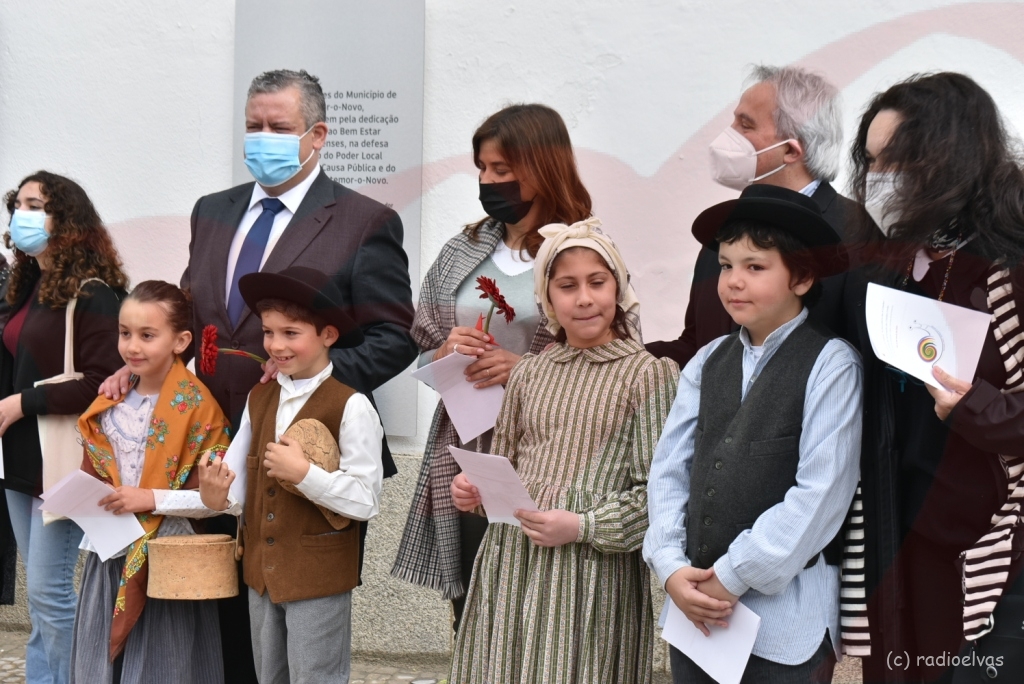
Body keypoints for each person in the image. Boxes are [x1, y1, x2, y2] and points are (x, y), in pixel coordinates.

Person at [100, 68, 417, 683]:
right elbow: (189, 316)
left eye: (279, 127)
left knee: (296, 645)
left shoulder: (364, 220)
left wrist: (304, 381)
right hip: (210, 450)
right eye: (254, 126)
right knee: (218, 626)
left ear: (317, 135)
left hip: (302, 463)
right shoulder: (212, 210)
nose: (262, 138)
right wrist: (140, 361)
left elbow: (393, 336)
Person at [644, 185, 862, 683]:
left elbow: (820, 494)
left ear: (802, 277)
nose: (734, 281)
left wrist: (732, 575)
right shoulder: (707, 361)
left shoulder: (832, 365)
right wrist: (671, 566)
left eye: (755, 266)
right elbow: (669, 471)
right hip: (694, 613)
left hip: (784, 625)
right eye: (726, 266)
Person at [847, 73, 1024, 684]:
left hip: (992, 550)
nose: (879, 178)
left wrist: (976, 407)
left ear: (950, 155)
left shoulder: (1010, 264)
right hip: (901, 534)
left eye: (895, 160)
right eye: (871, 160)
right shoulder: (892, 264)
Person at [448, 219, 677, 683]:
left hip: (590, 572)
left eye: (598, 282)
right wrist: (476, 492)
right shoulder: (530, 372)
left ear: (619, 288)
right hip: (512, 563)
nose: (584, 298)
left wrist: (582, 525)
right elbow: (505, 471)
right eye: (567, 286)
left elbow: (658, 494)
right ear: (547, 299)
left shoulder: (648, 375)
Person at [391, 103, 593, 627]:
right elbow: (420, 339)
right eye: (482, 168)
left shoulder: (582, 251)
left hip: (547, 451)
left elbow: (610, 357)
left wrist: (524, 369)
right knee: (472, 611)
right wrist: (443, 352)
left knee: (533, 613)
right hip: (468, 450)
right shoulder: (465, 248)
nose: (487, 180)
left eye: (501, 169)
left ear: (542, 167)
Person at [204, 266, 383, 684]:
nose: (276, 345)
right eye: (268, 332)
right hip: (260, 576)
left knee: (315, 678)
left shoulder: (352, 405)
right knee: (269, 677)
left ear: (328, 335)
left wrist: (304, 475)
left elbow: (365, 500)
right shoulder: (259, 396)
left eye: (291, 333)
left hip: (317, 576)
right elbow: (238, 485)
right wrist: (218, 497)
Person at [647, 64, 865, 367]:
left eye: (745, 125)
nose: (729, 135)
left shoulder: (856, 234)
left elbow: (865, 363)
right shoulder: (725, 229)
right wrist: (617, 356)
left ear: (791, 151)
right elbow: (698, 344)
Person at [0, 171, 128, 684]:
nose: (22, 215)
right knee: (40, 600)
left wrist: (23, 402)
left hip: (64, 460)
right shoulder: (26, 284)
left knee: (49, 592)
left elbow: (103, 383)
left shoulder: (94, 295)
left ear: (66, 220)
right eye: (19, 204)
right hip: (21, 457)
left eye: (36, 206)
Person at [70, 281, 233, 684]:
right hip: (109, 555)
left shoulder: (199, 409)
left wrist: (150, 498)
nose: (132, 347)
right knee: (101, 666)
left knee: (164, 666)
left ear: (181, 341)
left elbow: (217, 500)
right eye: (125, 333)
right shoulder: (109, 402)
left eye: (147, 335)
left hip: (169, 560)